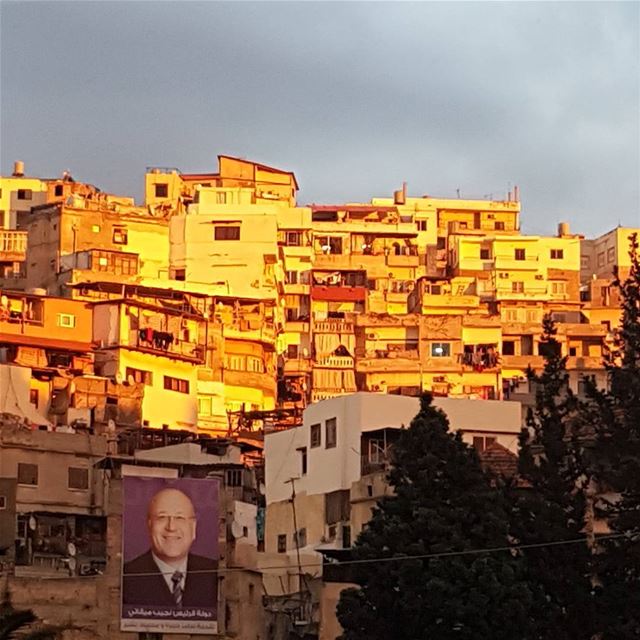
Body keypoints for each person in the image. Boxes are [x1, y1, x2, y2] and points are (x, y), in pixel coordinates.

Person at [122, 487, 217, 608]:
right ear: (149, 525)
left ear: (193, 528)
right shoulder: (126, 578)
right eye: (162, 517)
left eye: (179, 518)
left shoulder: (216, 575)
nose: (171, 527)